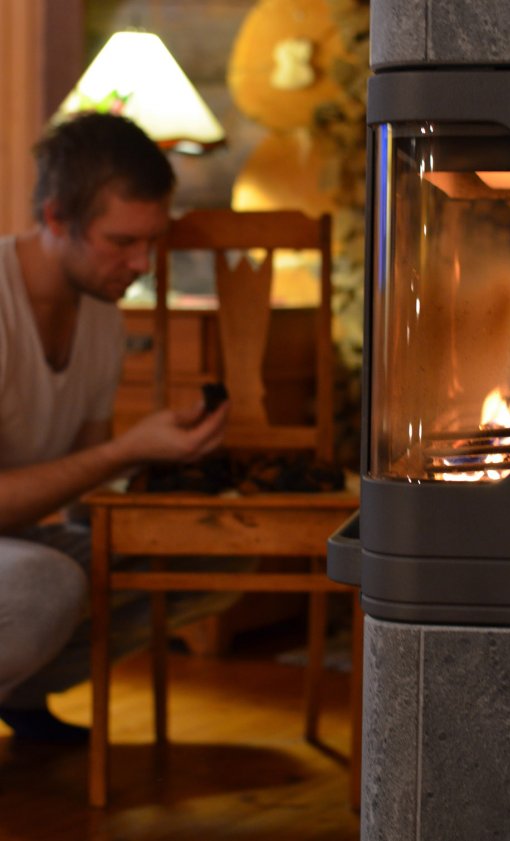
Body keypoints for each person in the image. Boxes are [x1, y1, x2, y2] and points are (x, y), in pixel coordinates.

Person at [0, 112, 230, 744]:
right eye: (122, 241)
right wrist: (125, 450)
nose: (142, 264)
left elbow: (82, 482)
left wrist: (163, 463)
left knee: (217, 550)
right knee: (48, 585)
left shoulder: (100, 311)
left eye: (152, 241)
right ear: (55, 218)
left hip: (20, 543)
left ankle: (21, 689)